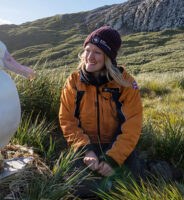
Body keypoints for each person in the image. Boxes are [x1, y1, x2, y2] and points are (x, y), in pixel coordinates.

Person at [59, 26, 144, 197]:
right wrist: (85, 150)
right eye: (87, 50)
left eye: (97, 52)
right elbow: (67, 120)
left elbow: (132, 125)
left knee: (132, 187)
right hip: (84, 145)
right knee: (79, 190)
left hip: (116, 145)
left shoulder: (126, 83)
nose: (89, 57)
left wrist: (113, 159)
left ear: (108, 57)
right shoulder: (74, 81)